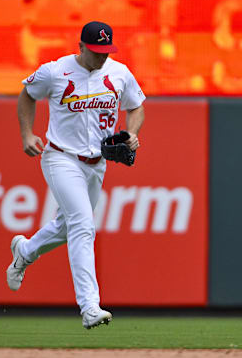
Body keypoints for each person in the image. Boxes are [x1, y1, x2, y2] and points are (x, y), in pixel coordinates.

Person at [9, 21, 146, 330]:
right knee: (83, 225)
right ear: (81, 46)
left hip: (98, 163)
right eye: (96, 51)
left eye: (106, 51)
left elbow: (137, 106)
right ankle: (89, 307)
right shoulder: (55, 71)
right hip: (61, 157)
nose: (101, 57)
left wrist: (132, 134)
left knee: (66, 226)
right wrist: (27, 134)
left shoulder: (119, 73)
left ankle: (25, 251)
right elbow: (27, 94)